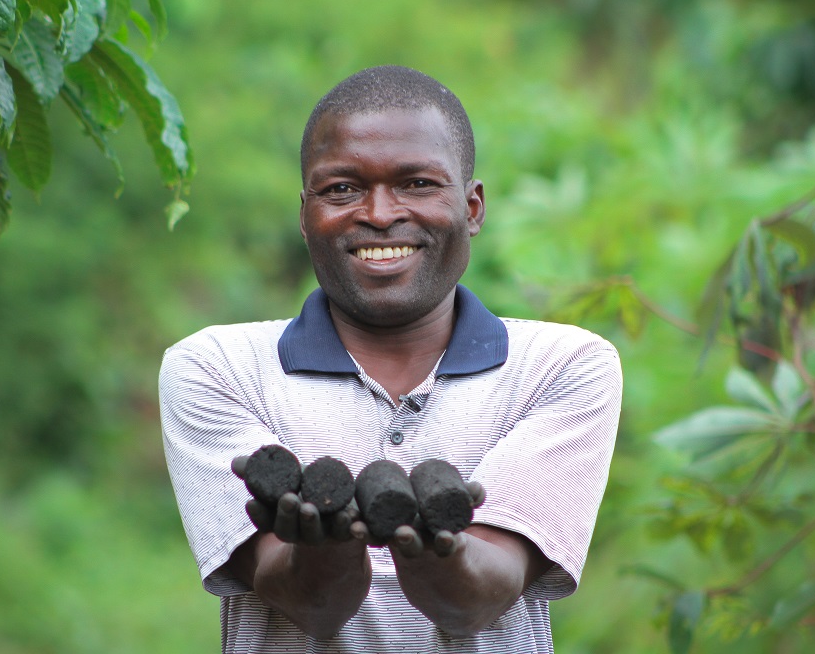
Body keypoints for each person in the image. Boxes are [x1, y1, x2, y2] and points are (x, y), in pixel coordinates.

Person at [160, 65, 622, 653]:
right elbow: (308, 607)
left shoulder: (561, 366)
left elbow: (477, 601)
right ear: (305, 215)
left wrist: (427, 543)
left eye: (418, 184)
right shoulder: (217, 368)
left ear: (473, 206)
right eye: (341, 189)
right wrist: (328, 545)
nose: (379, 213)